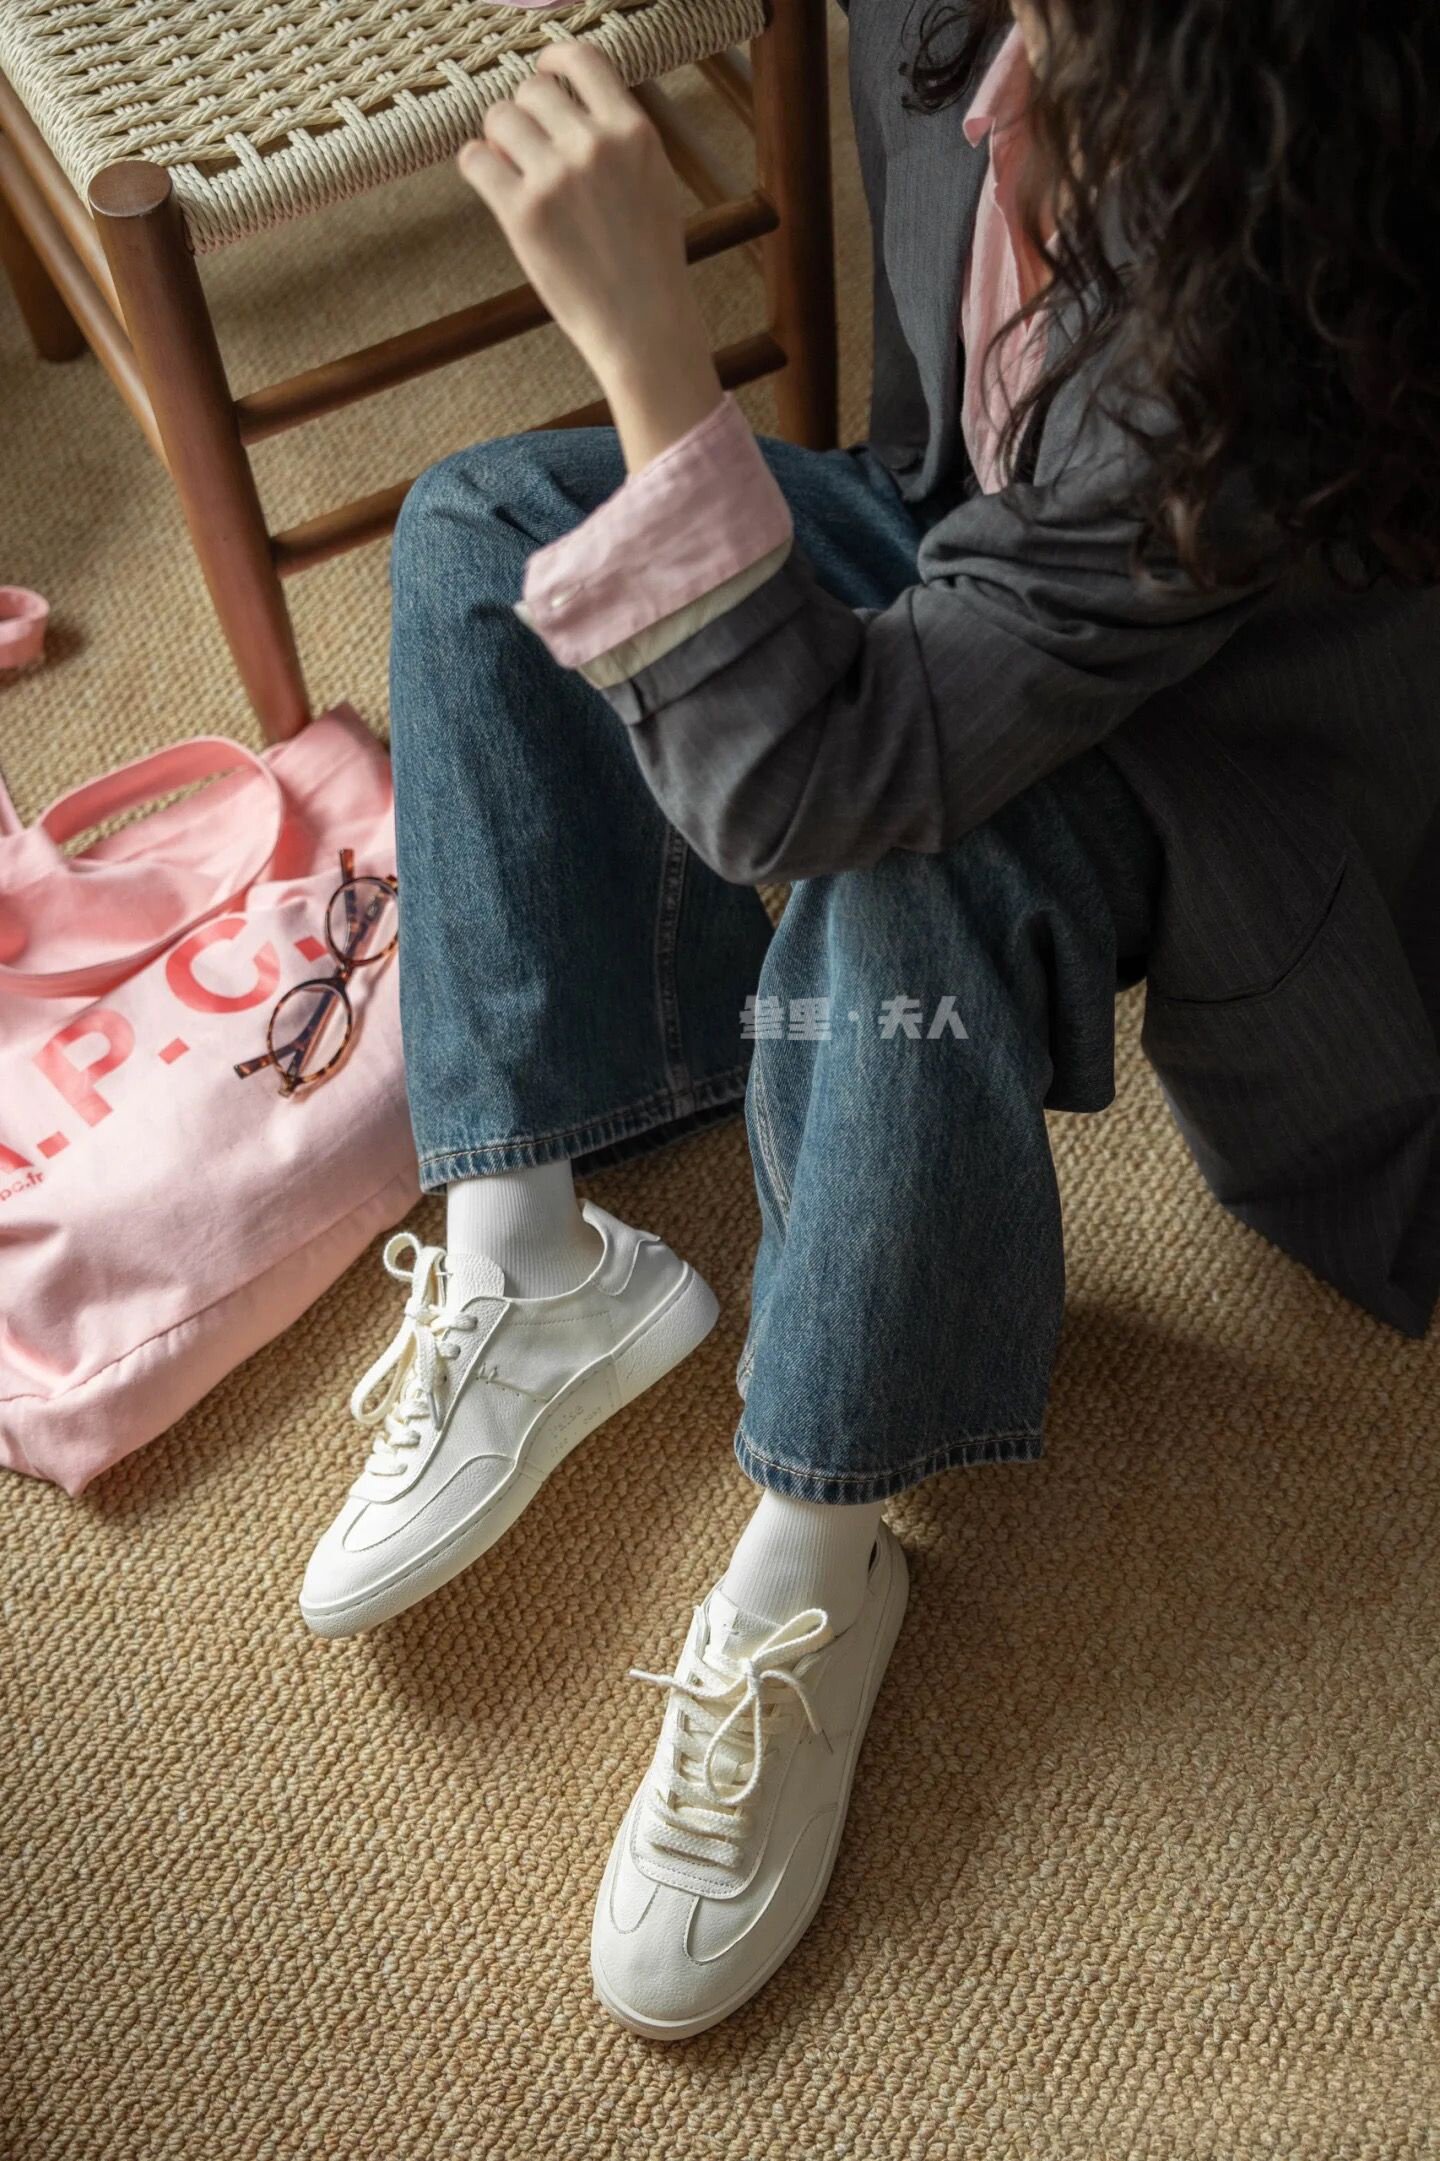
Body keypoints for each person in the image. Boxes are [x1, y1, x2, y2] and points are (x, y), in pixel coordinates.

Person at [298, 0, 1440, 2038]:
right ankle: (534, 1259)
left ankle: (820, 1539)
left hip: (1220, 734)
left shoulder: (1259, 285)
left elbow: (809, 787)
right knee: (485, 527)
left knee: (901, 881)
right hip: (987, 539)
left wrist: (651, 351)